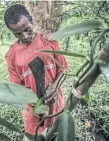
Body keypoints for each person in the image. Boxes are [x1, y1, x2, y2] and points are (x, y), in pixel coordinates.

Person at [4, 4, 68, 140]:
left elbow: (63, 70)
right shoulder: (12, 56)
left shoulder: (50, 43)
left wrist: (55, 87)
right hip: (33, 115)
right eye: (17, 33)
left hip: (56, 107)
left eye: (27, 29)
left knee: (57, 135)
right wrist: (32, 102)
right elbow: (17, 88)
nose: (25, 36)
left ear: (31, 20)